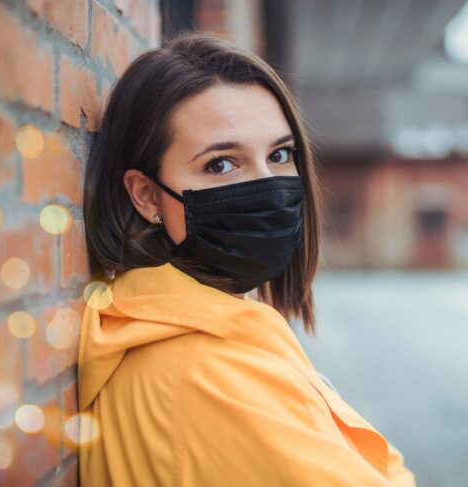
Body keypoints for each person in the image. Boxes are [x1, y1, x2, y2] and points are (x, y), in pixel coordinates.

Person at [78, 30, 417, 486]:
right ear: (147, 196)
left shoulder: (160, 329)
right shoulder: (209, 375)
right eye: (221, 164)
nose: (269, 186)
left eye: (280, 154)